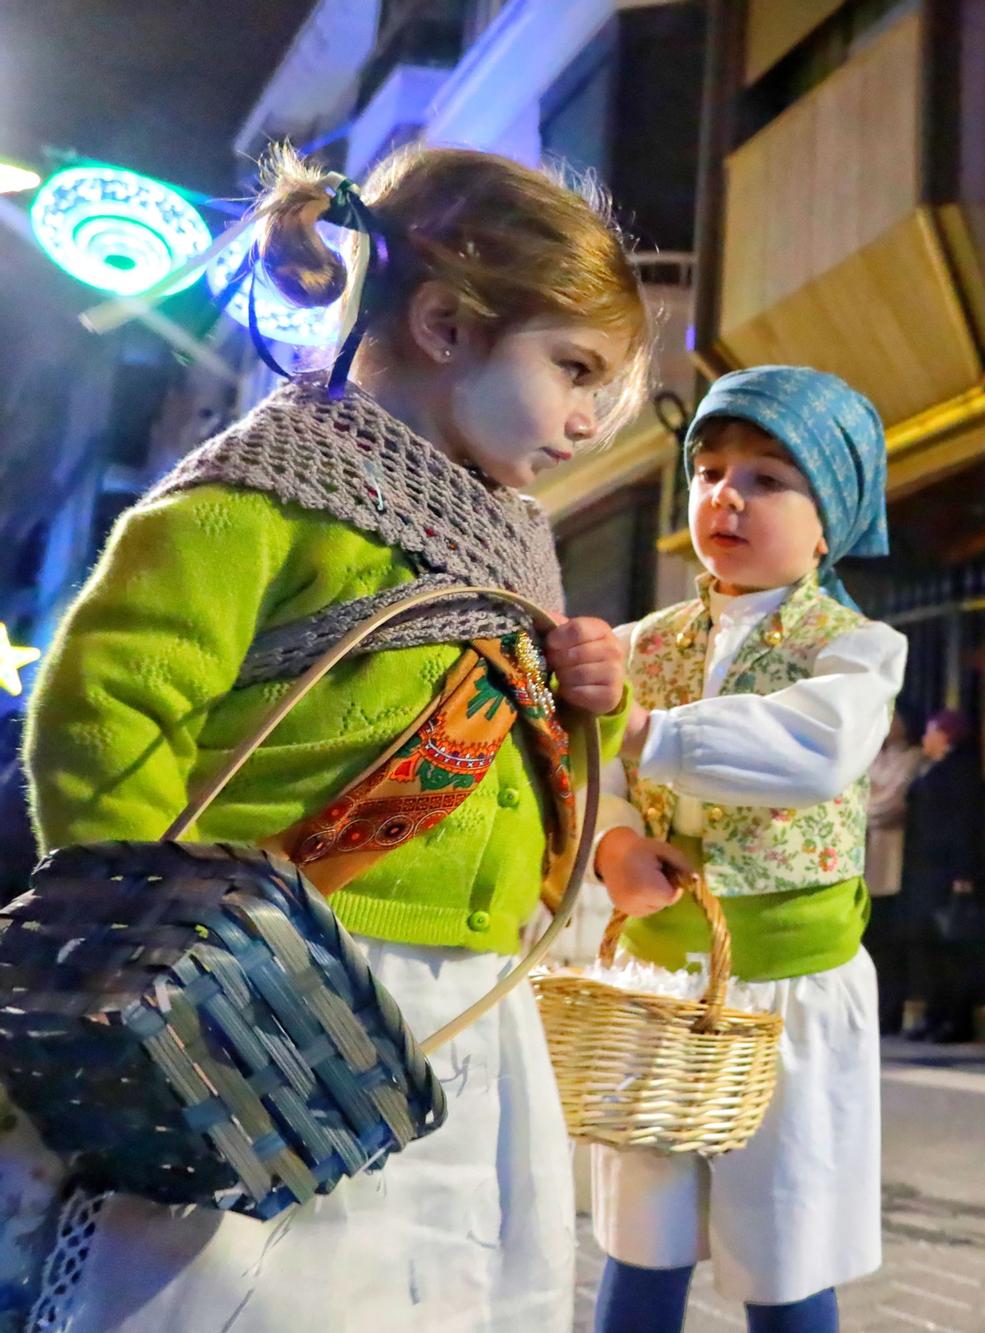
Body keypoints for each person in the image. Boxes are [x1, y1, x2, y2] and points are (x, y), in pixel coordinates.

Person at [13, 143, 648, 1331]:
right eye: (574, 370)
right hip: (268, 992)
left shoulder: (515, 541)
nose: (587, 422)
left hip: (463, 1009)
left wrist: (579, 698)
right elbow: (106, 704)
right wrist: (164, 946)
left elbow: (518, 773)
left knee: (439, 1287)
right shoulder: (258, 488)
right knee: (263, 1287)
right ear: (450, 323)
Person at [587, 365, 907, 1333]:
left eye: (769, 477)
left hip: (787, 995)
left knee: (784, 1245)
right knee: (638, 1238)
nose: (727, 494)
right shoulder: (641, 642)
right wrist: (610, 846)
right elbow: (588, 774)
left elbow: (812, 749)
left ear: (829, 522)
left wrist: (645, 731)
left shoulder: (853, 649)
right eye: (711, 469)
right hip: (657, 986)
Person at [900, 708, 985, 1043]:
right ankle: (933, 1014)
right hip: (926, 869)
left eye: (931, 732)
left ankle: (955, 1018)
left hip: (948, 870)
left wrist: (964, 872)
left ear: (946, 736)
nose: (925, 739)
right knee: (931, 949)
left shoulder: (960, 773)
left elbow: (965, 825)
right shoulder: (929, 769)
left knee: (953, 949)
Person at [864, 709, 923, 1035]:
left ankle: (892, 1012)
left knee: (893, 943)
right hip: (866, 858)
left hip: (897, 859)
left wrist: (870, 800)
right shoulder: (870, 757)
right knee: (871, 942)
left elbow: (891, 803)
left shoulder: (912, 758)